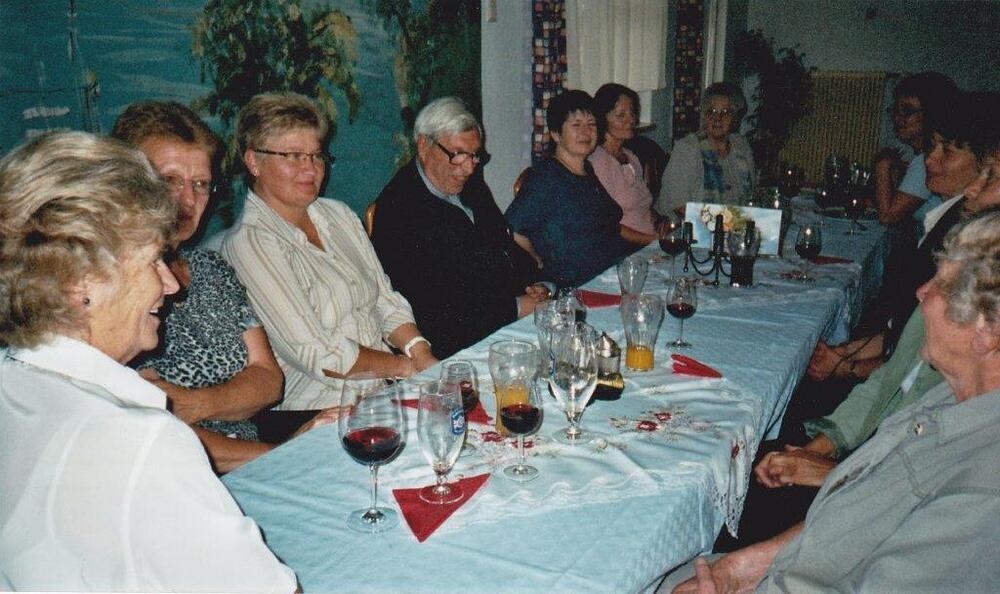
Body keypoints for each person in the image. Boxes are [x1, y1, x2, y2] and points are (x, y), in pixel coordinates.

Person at [0, 131, 296, 591]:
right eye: (153, 262)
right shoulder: (137, 441)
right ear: (82, 282)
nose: (170, 285)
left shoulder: (15, 381)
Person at [667, 210, 1000, 593]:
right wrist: (738, 569)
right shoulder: (948, 401)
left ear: (985, 332)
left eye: (940, 284)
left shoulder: (982, 496)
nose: (921, 292)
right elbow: (856, 514)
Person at [112, 101, 335, 471]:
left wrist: (195, 404)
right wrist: (286, 454)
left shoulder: (210, 269)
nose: (188, 200)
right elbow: (149, 432)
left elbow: (269, 381)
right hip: (184, 475)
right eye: (169, 180)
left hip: (254, 455)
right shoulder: (111, 291)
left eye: (200, 184)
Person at [221, 92, 437, 411]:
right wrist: (405, 368)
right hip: (318, 411)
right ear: (254, 161)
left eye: (316, 155)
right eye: (294, 156)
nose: (310, 169)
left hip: (384, 390)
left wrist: (421, 353)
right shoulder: (249, 244)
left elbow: (384, 299)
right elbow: (318, 353)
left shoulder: (339, 216)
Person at [809, 91, 1000, 381]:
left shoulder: (965, 241)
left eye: (947, 151)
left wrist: (848, 367)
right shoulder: (947, 218)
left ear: (980, 164)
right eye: (931, 148)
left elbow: (923, 367)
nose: (930, 159)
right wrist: (844, 351)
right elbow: (903, 328)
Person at [370, 97, 549, 359]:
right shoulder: (399, 211)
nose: (468, 168)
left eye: (475, 156)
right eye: (458, 155)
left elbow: (502, 244)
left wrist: (530, 285)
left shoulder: (469, 185)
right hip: (452, 349)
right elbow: (430, 311)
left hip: (500, 324)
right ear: (424, 145)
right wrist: (515, 307)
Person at [506, 89, 635, 287]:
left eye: (591, 124)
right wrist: (535, 262)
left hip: (610, 271)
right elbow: (509, 229)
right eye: (576, 124)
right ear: (556, 134)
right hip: (578, 284)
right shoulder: (546, 178)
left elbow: (609, 220)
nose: (586, 131)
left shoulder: (586, 170)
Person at [655, 82, 756, 217]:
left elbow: (752, 197)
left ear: (735, 118)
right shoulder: (687, 148)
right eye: (712, 111)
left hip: (734, 224)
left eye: (725, 112)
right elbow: (678, 206)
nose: (717, 118)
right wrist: (729, 223)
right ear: (704, 115)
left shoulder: (742, 146)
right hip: (689, 224)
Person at [873, 72, 958, 228]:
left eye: (907, 111)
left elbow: (887, 217)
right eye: (895, 110)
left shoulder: (927, 161)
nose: (897, 118)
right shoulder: (919, 157)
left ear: (932, 114)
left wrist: (882, 165)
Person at [590, 83, 658, 243]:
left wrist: (661, 223)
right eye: (621, 115)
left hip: (648, 240)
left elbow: (642, 207)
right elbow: (607, 224)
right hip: (624, 247)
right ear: (602, 119)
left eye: (632, 113)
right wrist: (652, 240)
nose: (631, 120)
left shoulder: (631, 157)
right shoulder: (598, 161)